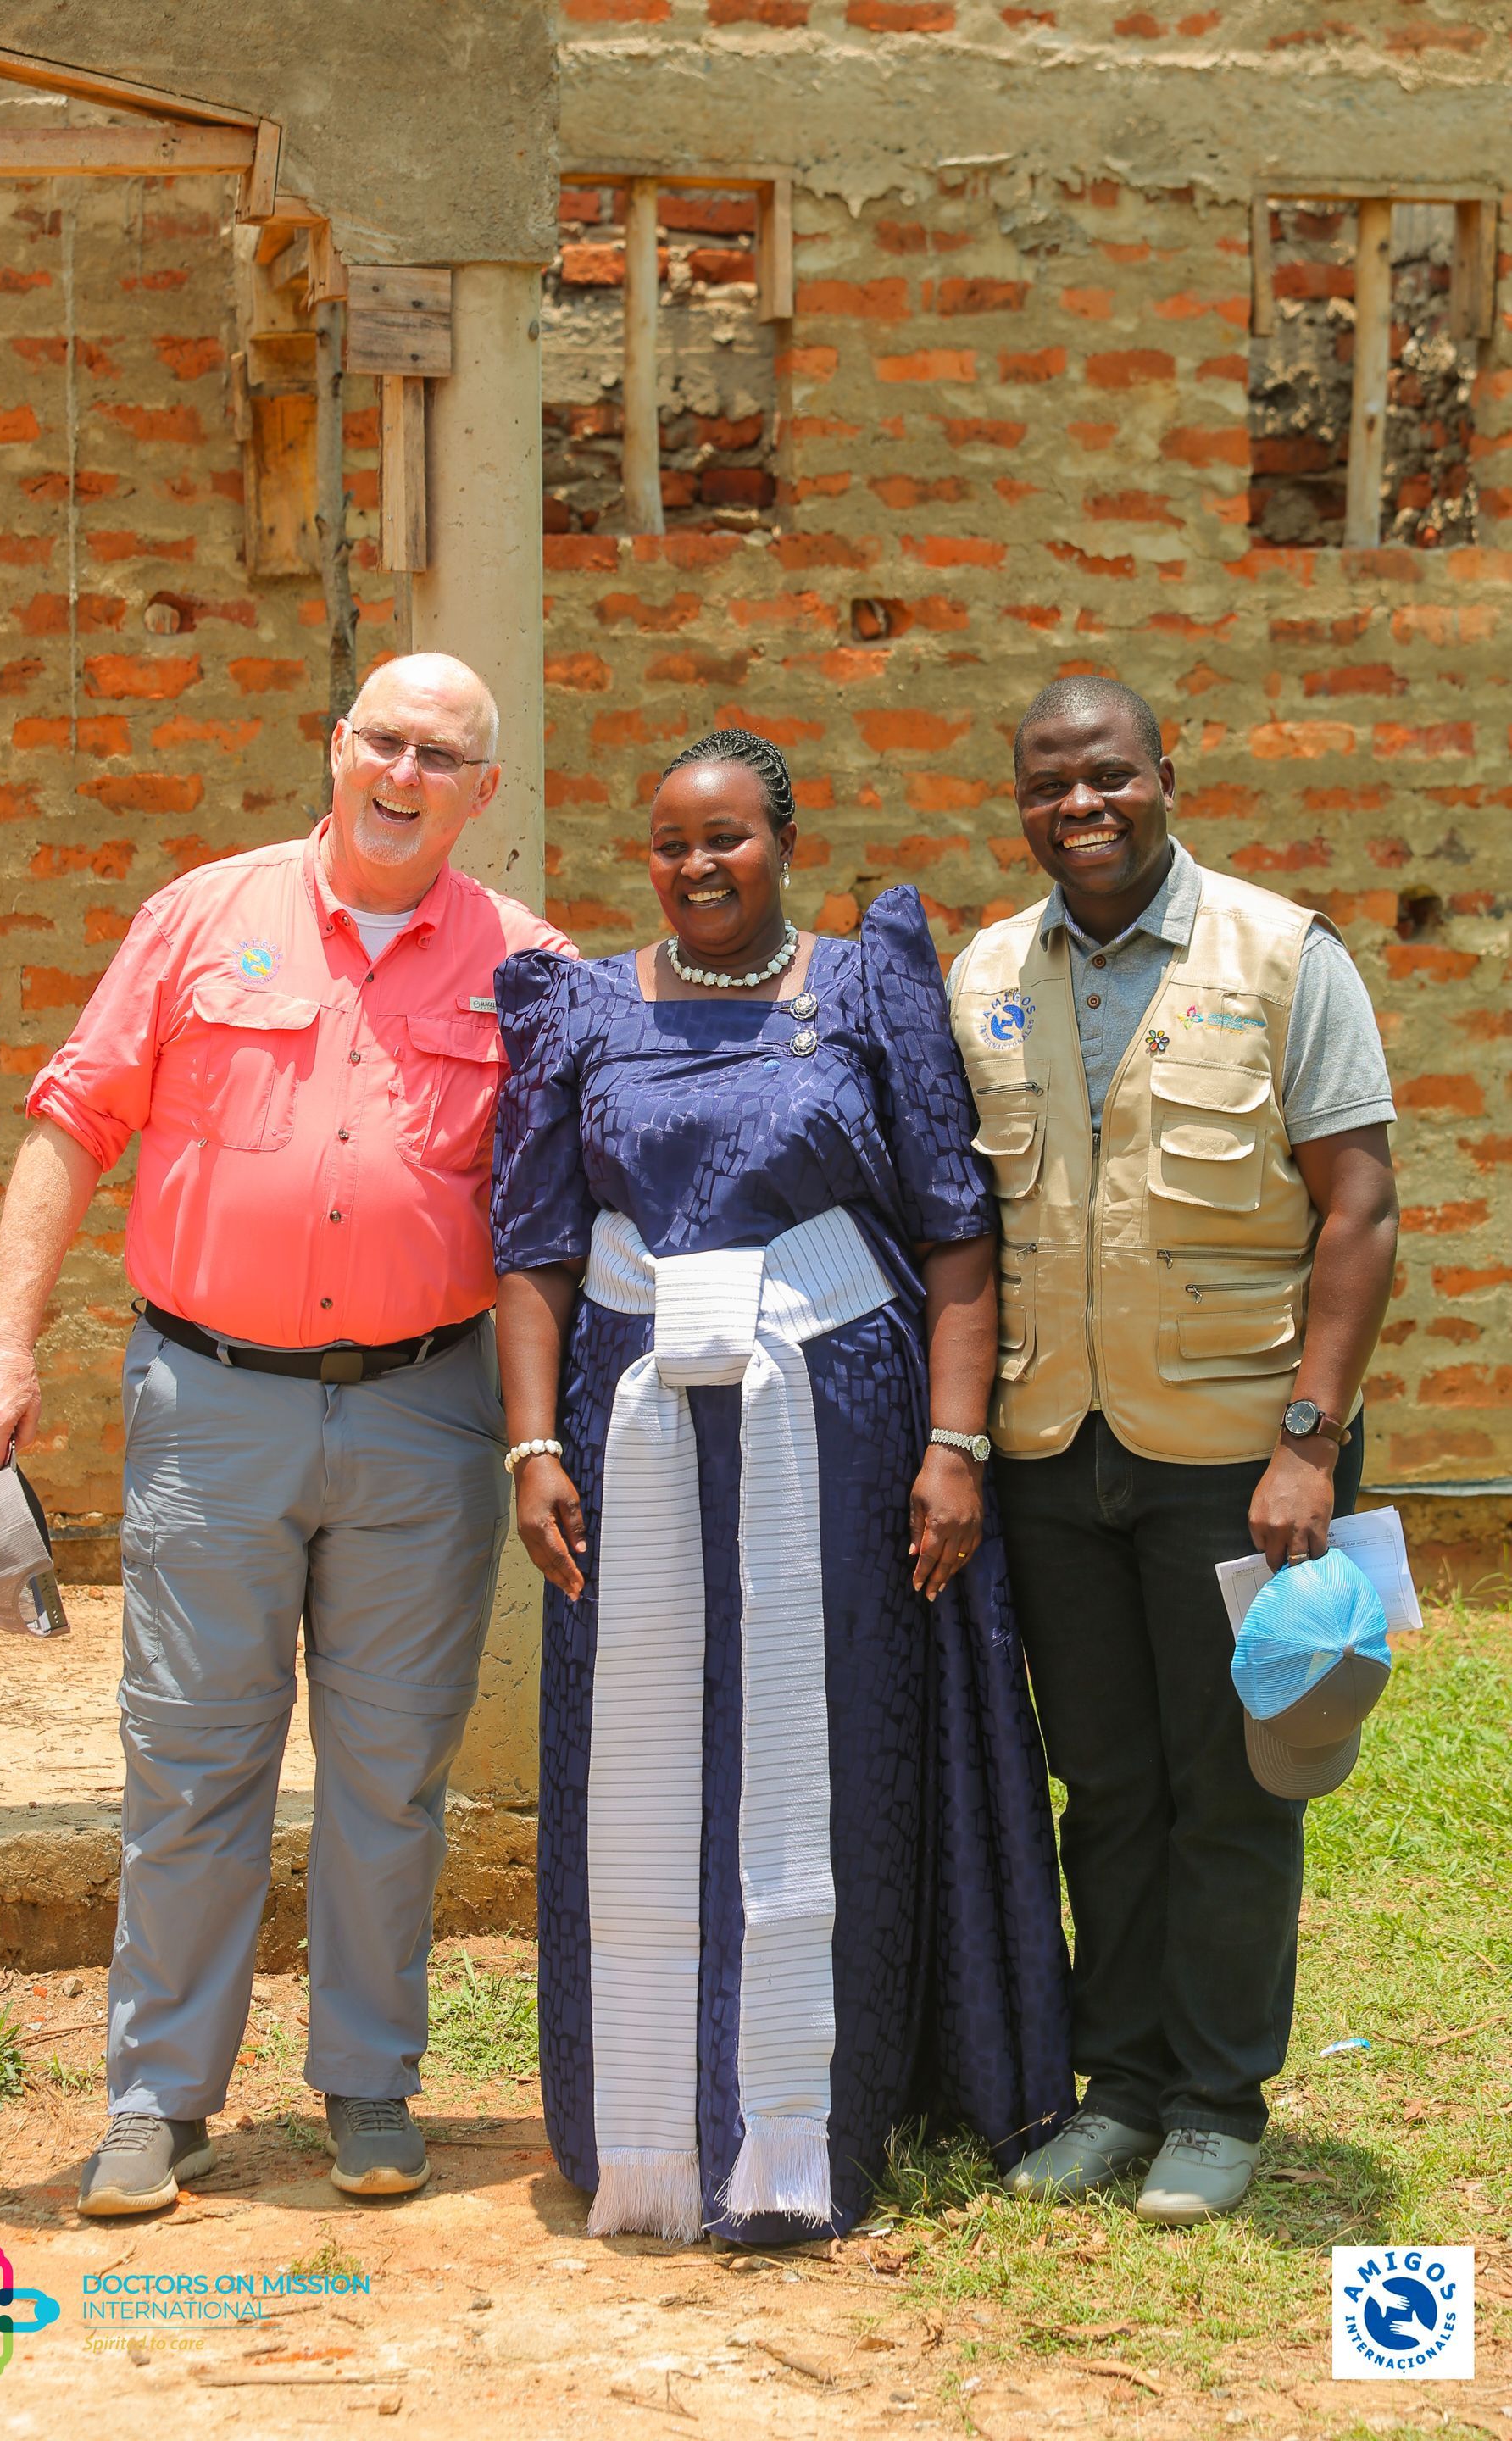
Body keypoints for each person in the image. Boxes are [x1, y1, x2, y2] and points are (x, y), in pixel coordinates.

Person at [0, 653, 574, 2216]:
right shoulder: (200, 916)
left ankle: (368, 2086)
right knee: (192, 1762)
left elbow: (566, 1209)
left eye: (443, 756)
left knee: (390, 1774)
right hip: (209, 1405)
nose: (405, 773)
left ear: (482, 795)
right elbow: (75, 1115)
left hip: (428, 1415)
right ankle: (159, 2101)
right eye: (384, 740)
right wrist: (1, 1339)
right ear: (335, 744)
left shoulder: (529, 963)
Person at [490, 728, 1072, 2247]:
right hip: (633, 1439)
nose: (699, 866)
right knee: (645, 1748)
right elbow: (535, 1251)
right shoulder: (581, 1007)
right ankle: (646, 2126)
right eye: (674, 841)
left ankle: (817, 2124)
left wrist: (957, 1446)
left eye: (729, 837)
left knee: (827, 1749)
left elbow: (956, 1238)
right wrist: (533, 1443)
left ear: (786, 842)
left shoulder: (867, 985)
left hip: (842, 1420)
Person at [949, 676, 1398, 2225]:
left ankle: (1218, 2099)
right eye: (1048, 784)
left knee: (1232, 1783)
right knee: (1107, 1783)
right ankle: (1121, 2086)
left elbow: (1361, 1206)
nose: (1080, 808)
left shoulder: (1282, 956)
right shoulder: (987, 974)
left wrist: (1307, 1444)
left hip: (1232, 1455)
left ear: (1164, 777)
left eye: (1108, 778)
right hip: (1053, 1451)